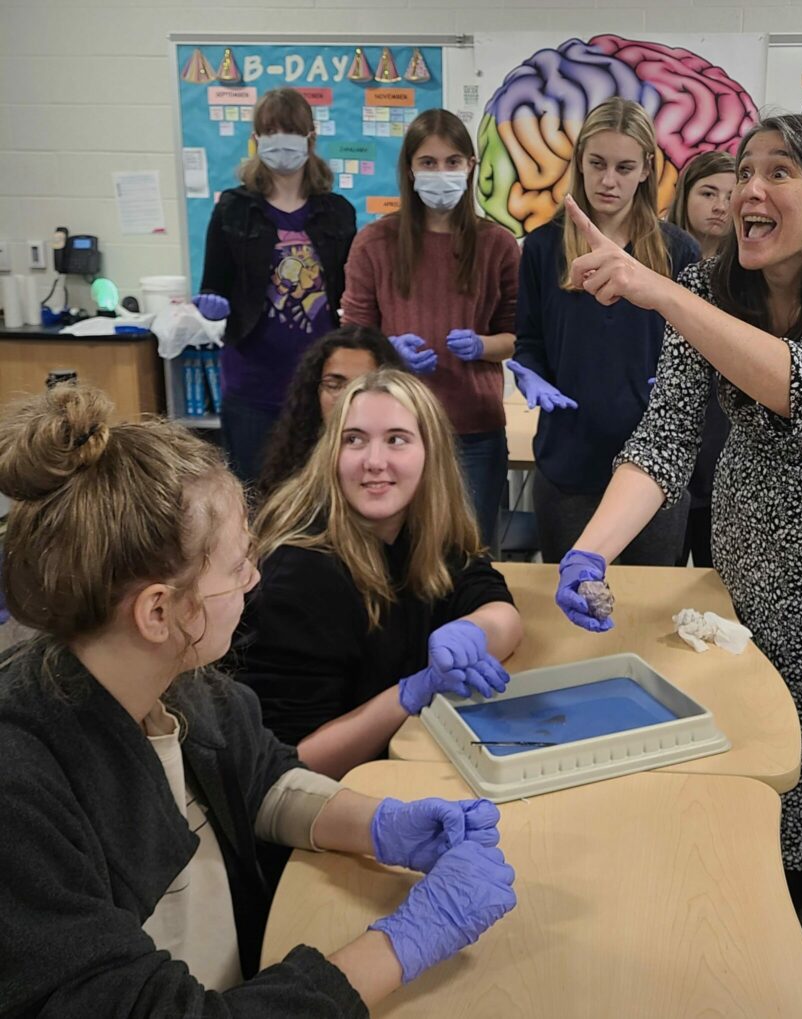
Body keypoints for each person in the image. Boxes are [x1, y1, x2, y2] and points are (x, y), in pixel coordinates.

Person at [551, 114, 802, 1011]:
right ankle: (762, 924)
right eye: (745, 172)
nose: (752, 191)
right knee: (761, 746)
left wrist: (662, 295)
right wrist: (586, 548)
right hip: (755, 565)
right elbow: (665, 439)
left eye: (781, 174)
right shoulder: (708, 285)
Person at [0, 383, 516, 1016]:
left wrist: (378, 826)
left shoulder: (183, 684)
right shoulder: (22, 790)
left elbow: (261, 779)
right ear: (160, 610)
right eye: (239, 565)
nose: (255, 578)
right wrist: (405, 941)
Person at [233, 368, 523, 780]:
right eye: (354, 440)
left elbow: (492, 601)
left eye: (396, 439)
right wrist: (410, 694)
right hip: (310, 810)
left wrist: (477, 631)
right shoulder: (300, 572)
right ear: (332, 453)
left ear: (431, 453)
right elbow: (289, 764)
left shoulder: (422, 529)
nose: (373, 461)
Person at [510, 98, 700, 564]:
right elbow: (530, 341)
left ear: (645, 169)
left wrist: (686, 382)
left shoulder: (679, 251)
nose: (608, 180)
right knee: (572, 609)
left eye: (624, 166)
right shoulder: (541, 248)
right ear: (579, 164)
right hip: (569, 464)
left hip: (653, 469)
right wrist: (528, 374)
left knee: (650, 611)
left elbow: (700, 349)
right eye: (596, 164)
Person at [342, 109, 519, 547]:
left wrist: (481, 345)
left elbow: (516, 337)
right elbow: (350, 341)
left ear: (470, 167)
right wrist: (388, 351)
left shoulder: (496, 244)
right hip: (395, 427)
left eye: (453, 162)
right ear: (409, 169)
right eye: (428, 163)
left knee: (469, 553)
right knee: (395, 552)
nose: (441, 174)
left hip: (474, 429)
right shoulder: (375, 242)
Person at [194, 87, 357, 485]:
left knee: (321, 497)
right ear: (257, 140)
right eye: (270, 131)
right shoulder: (234, 208)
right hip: (252, 382)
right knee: (255, 499)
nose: (280, 140)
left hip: (322, 383)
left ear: (310, 139)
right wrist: (211, 306)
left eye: (290, 130)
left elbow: (352, 293)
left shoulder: (336, 212)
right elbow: (213, 285)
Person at [667, 151, 737, 566]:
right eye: (708, 193)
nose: (720, 206)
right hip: (668, 436)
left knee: (718, 577)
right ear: (684, 196)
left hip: (721, 440)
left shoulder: (747, 274)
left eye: (731, 195)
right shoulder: (660, 261)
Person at [257, 324, 406, 498]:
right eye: (334, 385)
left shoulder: (403, 460)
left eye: (362, 386)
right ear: (316, 391)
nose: (346, 397)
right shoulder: (290, 471)